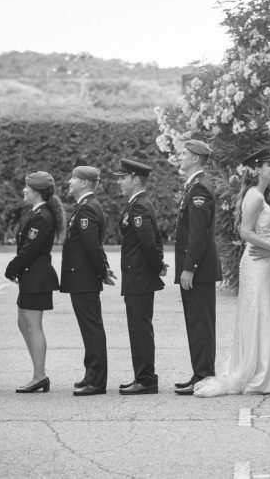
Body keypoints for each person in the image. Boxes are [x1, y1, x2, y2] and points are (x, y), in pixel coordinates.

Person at [194, 148, 270, 397]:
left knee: (261, 313)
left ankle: (263, 371)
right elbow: (245, 232)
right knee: (258, 313)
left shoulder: (259, 195)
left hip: (262, 262)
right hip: (256, 264)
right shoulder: (255, 196)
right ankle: (257, 375)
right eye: (269, 165)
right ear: (257, 170)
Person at [4, 171, 63, 394]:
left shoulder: (42, 216)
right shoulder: (38, 212)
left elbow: (29, 250)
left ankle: (39, 376)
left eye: (28, 187)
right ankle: (38, 374)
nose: (24, 190)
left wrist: (11, 269)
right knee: (23, 323)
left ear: (37, 192)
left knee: (33, 325)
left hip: (37, 278)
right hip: (31, 277)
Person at [61, 166, 116, 396]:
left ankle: (97, 381)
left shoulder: (87, 208)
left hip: (83, 278)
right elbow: (94, 245)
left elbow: (92, 246)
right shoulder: (86, 205)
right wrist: (104, 269)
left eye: (73, 178)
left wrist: (102, 271)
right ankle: (90, 373)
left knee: (92, 329)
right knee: (89, 328)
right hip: (82, 277)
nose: (69, 181)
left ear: (84, 182)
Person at [174, 140, 223, 395]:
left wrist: (189, 267)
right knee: (195, 322)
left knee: (200, 323)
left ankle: (204, 375)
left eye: (184, 154)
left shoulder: (199, 188)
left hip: (199, 270)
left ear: (195, 158)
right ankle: (199, 373)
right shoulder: (194, 185)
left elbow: (198, 233)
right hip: (198, 268)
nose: (180, 157)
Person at [113, 159, 166, 395]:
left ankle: (146, 379)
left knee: (140, 329)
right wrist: (158, 264)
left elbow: (149, 243)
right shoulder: (138, 204)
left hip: (139, 278)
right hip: (138, 277)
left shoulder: (139, 207)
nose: (120, 182)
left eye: (123, 178)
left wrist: (158, 266)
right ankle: (142, 376)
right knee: (138, 328)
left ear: (135, 179)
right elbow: (154, 240)